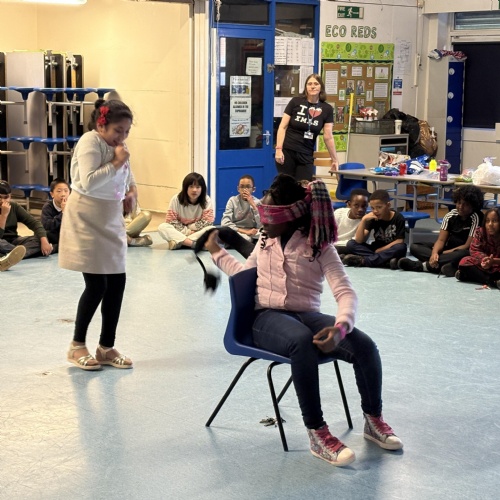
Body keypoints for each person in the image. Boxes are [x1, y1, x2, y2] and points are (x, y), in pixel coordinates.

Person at [204, 174, 403, 467]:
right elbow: (246, 275)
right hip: (264, 318)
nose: (263, 220)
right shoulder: (265, 240)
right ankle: (317, 432)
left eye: (269, 214)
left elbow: (345, 292)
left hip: (306, 315)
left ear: (291, 215)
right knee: (301, 342)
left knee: (364, 346)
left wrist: (340, 328)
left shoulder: (319, 245)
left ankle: (373, 420)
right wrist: (216, 252)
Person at [59, 99, 135, 371]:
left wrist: (131, 191)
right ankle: (76, 345)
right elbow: (89, 181)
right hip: (87, 217)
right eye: (118, 130)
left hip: (110, 217)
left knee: (117, 282)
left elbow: (128, 174)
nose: (122, 137)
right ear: (101, 125)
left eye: (126, 131)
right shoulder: (89, 142)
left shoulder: (119, 147)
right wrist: (116, 161)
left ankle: (106, 347)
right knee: (96, 285)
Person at [398, 185, 484, 277]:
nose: (460, 207)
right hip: (448, 249)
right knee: (414, 247)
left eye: (465, 204)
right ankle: (447, 265)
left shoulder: (476, 217)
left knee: (464, 254)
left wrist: (442, 253)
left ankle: (422, 266)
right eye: (459, 203)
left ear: (473, 206)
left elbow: (467, 246)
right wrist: (434, 253)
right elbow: (441, 240)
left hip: (461, 251)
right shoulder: (450, 215)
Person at [275, 73, 338, 182]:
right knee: (287, 186)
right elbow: (282, 127)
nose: (312, 86)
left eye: (316, 84)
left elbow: (328, 137)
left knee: (304, 186)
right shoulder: (295, 101)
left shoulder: (327, 109)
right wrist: (278, 149)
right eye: (309, 84)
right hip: (288, 151)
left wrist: (335, 160)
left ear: (321, 87)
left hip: (306, 154)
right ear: (305, 87)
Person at [343, 189, 407, 268]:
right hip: (376, 249)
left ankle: (364, 261)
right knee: (351, 244)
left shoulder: (398, 217)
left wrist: (380, 250)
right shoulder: (373, 217)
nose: (375, 211)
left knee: (401, 247)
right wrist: (363, 220)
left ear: (388, 205)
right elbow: (359, 240)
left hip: (390, 249)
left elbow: (399, 241)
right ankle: (385, 262)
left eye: (379, 207)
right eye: (372, 208)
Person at [0, 180, 54, 266]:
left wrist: (44, 240)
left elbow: (34, 223)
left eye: (6, 197)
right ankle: (18, 254)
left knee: (39, 239)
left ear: (10, 196)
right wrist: (4, 215)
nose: (3, 201)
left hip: (13, 241)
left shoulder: (14, 206)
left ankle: (11, 255)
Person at [158, 172, 214, 250]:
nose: (194, 190)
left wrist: (189, 227)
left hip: (195, 232)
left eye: (198, 187)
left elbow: (207, 223)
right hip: (182, 231)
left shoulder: (206, 200)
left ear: (202, 189)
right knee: (163, 227)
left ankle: (179, 242)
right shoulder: (176, 199)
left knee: (211, 229)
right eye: (191, 186)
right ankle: (194, 244)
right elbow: (171, 221)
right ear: (185, 188)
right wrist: (188, 232)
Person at [455, 207, 500, 288]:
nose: (490, 224)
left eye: (494, 221)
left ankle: (469, 276)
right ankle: (492, 281)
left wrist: (493, 261)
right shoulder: (481, 232)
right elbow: (475, 250)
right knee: (465, 261)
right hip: (483, 264)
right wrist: (485, 260)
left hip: (498, 264)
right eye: (487, 221)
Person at [221, 174, 261, 243]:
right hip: (237, 230)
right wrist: (245, 232)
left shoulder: (257, 202)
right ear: (238, 189)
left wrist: (254, 206)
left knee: (265, 234)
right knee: (224, 232)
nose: (245, 190)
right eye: (242, 187)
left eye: (248, 187)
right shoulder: (232, 201)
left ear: (253, 189)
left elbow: (261, 225)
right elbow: (224, 223)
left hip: (252, 231)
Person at [334, 188, 370, 257]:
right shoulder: (339, 213)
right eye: (356, 205)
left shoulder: (366, 220)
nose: (360, 209)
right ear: (349, 204)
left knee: (354, 246)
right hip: (334, 245)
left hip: (351, 247)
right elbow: (329, 235)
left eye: (364, 206)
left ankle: (343, 256)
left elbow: (358, 241)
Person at [124, 174, 153, 247]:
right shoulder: (108, 197)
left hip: (129, 229)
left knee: (146, 215)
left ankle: (127, 239)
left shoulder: (131, 197)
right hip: (114, 231)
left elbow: (137, 218)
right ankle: (133, 241)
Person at [41, 177, 71, 246]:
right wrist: (63, 213)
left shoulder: (73, 206)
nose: (63, 194)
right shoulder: (48, 207)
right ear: (52, 194)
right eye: (59, 191)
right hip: (53, 238)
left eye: (66, 191)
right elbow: (47, 226)